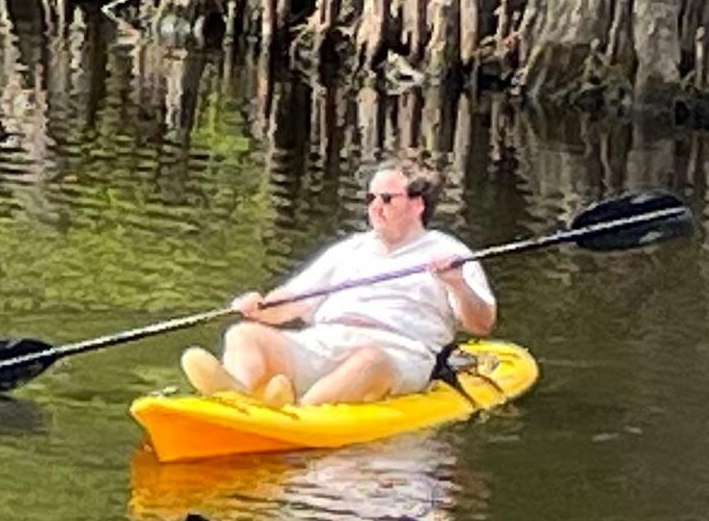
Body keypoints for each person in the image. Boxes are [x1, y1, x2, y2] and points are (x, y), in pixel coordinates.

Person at [183, 160, 495, 407]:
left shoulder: (450, 253)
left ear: (418, 205)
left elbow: (481, 324)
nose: (375, 206)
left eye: (387, 198)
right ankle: (236, 399)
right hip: (326, 341)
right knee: (243, 336)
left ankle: (299, 416)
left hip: (396, 352)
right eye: (371, 198)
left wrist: (457, 284)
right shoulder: (349, 250)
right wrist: (260, 307)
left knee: (368, 360)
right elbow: (290, 302)